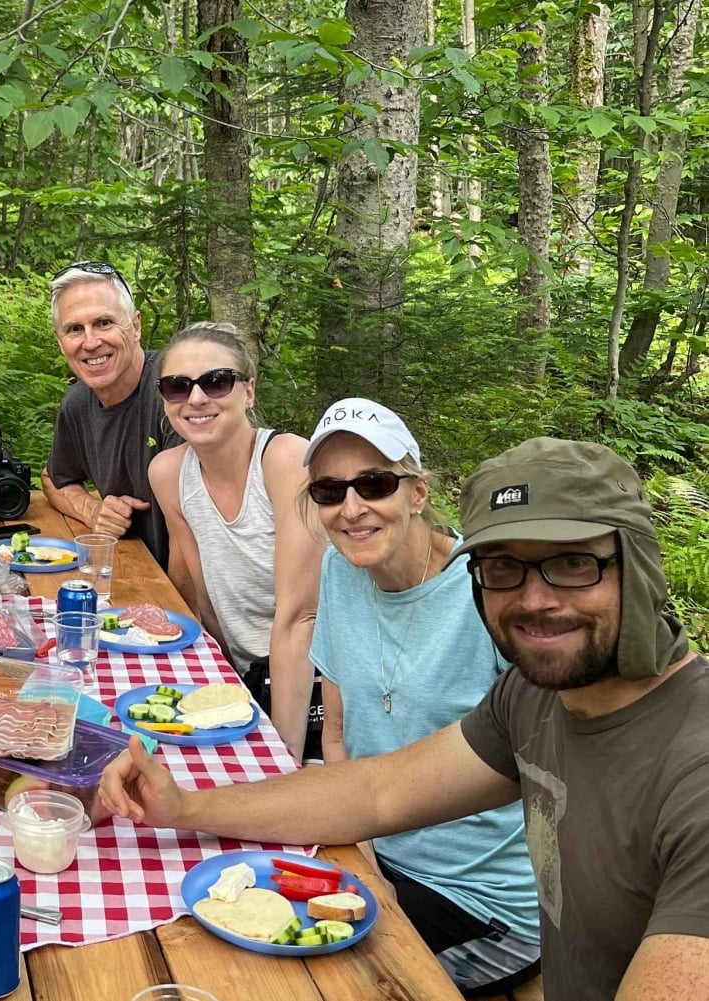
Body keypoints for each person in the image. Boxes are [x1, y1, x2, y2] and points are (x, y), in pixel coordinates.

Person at [100, 437, 709, 1001]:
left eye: (573, 564)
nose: (535, 600)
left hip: (493, 925)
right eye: (503, 568)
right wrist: (183, 806)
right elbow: (378, 791)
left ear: (639, 563)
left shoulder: (692, 767)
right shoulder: (536, 697)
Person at [303, 398, 540, 994]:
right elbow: (337, 737)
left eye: (374, 484)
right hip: (374, 853)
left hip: (484, 898)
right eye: (329, 491)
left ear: (416, 493)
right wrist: (364, 867)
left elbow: (553, 772)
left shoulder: (489, 590)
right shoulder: (339, 569)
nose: (351, 508)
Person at [147, 321, 323, 759]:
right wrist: (219, 686)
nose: (196, 398)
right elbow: (200, 597)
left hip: (319, 681)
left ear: (249, 391)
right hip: (242, 678)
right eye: (177, 386)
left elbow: (301, 619)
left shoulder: (286, 461)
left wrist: (281, 755)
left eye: (216, 381)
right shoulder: (168, 473)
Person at [41, 262, 178, 568]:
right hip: (135, 570)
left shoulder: (175, 391)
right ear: (60, 342)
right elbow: (54, 479)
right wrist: (93, 510)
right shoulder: (78, 403)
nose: (90, 342)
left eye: (104, 323)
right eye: (75, 329)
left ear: (135, 326)